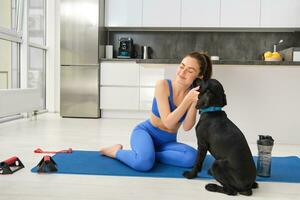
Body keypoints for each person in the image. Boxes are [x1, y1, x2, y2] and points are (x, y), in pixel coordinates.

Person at [100, 52, 213, 171]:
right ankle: (114, 152)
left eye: (190, 71)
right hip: (146, 133)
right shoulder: (163, 85)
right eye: (181, 66)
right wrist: (187, 100)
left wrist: (194, 101)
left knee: (193, 158)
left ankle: (150, 154)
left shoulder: (192, 94)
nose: (182, 73)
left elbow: (187, 126)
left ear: (199, 75)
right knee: (143, 164)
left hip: (167, 143)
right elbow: (168, 122)